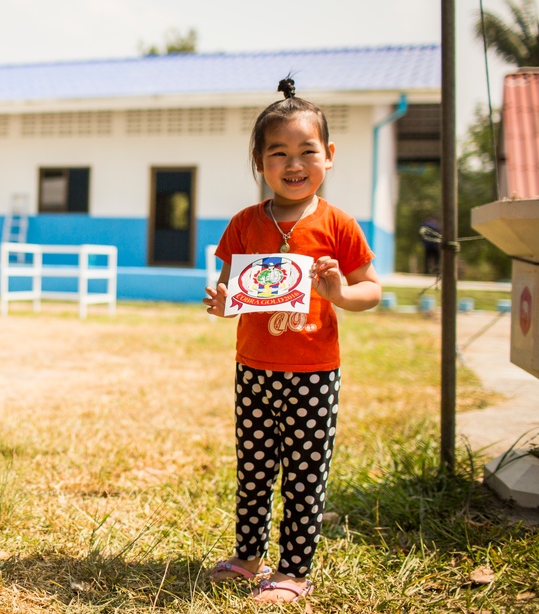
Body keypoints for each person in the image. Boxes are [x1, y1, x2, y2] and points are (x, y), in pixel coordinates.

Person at [202, 77, 381, 604]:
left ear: (328, 155)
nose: (293, 163)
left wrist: (340, 292)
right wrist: (221, 300)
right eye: (278, 152)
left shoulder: (338, 225)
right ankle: (248, 556)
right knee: (254, 467)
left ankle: (294, 571)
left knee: (305, 474)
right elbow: (232, 286)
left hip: (314, 373)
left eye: (306, 151)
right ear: (259, 161)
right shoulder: (243, 224)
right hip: (254, 368)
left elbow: (372, 289)